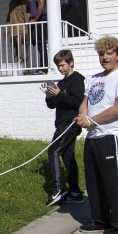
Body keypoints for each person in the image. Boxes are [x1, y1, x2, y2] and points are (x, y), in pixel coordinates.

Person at [75, 36, 118, 234]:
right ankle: (100, 219)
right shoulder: (94, 78)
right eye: (102, 54)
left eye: (109, 53)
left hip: (115, 136)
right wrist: (83, 117)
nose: (105, 57)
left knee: (115, 183)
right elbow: (86, 102)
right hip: (94, 136)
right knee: (95, 182)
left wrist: (90, 120)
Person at [43, 49, 86, 206]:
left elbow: (78, 102)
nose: (60, 68)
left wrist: (60, 94)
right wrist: (49, 95)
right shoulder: (61, 83)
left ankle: (57, 190)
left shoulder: (77, 80)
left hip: (71, 123)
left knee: (53, 150)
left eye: (62, 65)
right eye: (58, 66)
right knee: (68, 156)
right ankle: (75, 191)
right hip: (61, 122)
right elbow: (52, 105)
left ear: (71, 63)